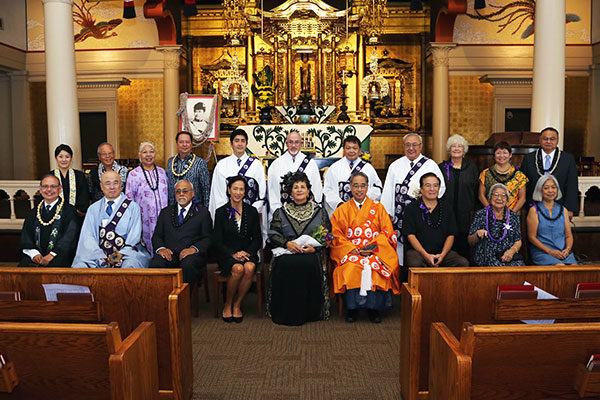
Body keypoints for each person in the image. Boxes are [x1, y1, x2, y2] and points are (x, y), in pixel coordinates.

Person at [330, 172, 400, 323]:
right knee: (350, 267)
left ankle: (374, 308)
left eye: (363, 186)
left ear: (368, 187)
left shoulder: (378, 208)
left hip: (375, 249)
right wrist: (350, 248)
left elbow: (387, 232)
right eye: (356, 186)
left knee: (376, 267)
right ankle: (352, 308)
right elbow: (336, 234)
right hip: (351, 250)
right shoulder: (342, 210)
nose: (359, 189)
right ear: (350, 187)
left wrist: (372, 247)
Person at [267, 171, 330, 326]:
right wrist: (287, 244)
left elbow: (327, 235)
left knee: (307, 263)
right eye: (296, 187)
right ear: (290, 192)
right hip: (287, 252)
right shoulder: (280, 212)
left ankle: (311, 312)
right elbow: (273, 234)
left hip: (311, 253)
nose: (300, 190)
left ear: (309, 190)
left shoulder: (319, 211)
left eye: (303, 187)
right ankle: (285, 312)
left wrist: (314, 249)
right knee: (286, 264)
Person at [380, 133, 446, 264]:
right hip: (399, 216)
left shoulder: (430, 165)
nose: (411, 148)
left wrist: (427, 201)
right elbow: (388, 190)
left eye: (415, 145)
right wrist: (388, 213)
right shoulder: (395, 165)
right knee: (399, 249)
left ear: (421, 146)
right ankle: (400, 272)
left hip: (421, 215)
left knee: (418, 244)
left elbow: (441, 188)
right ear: (403, 146)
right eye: (408, 145)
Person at [73, 171, 150, 268]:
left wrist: (121, 254)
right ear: (101, 186)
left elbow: (134, 237)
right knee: (80, 267)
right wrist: (99, 256)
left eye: (115, 183)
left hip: (127, 254)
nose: (112, 187)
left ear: (121, 184)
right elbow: (88, 237)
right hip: (98, 255)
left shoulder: (133, 207)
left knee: (130, 266)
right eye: (107, 183)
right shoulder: (93, 209)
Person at [212, 176, 262, 323]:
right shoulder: (221, 212)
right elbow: (216, 240)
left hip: (247, 253)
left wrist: (247, 253)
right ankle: (228, 303)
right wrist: (232, 254)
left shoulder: (252, 211)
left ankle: (237, 304)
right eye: (235, 188)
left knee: (249, 266)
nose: (238, 192)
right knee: (238, 269)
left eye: (241, 189)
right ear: (229, 190)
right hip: (227, 254)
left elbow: (257, 238)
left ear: (245, 192)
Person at [150, 180, 212, 289]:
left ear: (192, 193)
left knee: (188, 265)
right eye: (178, 192)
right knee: (156, 263)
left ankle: (184, 302)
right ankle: (162, 300)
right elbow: (157, 236)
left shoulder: (203, 213)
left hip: (191, 255)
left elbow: (207, 238)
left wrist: (193, 249)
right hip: (169, 254)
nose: (181, 194)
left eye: (185, 191)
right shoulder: (166, 212)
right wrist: (161, 248)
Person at [208, 129, 267, 239]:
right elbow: (218, 194)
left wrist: (251, 212)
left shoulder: (256, 165)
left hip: (250, 215)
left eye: (242, 141)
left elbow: (262, 193)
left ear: (246, 144)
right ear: (231, 144)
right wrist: (227, 213)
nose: (240, 144)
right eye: (236, 141)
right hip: (227, 215)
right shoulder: (222, 165)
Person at [403, 173, 469, 267]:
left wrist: (442, 255)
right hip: (418, 252)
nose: (432, 189)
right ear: (421, 189)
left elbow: (451, 235)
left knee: (462, 263)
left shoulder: (447, 208)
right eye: (428, 185)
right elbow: (410, 235)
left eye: (435, 185)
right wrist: (426, 255)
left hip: (442, 253)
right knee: (415, 263)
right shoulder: (411, 208)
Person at [19, 174, 79, 267]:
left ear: (60, 189)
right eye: (45, 186)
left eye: (53, 186)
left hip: (60, 255)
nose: (49, 190)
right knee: (23, 269)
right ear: (40, 189)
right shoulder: (34, 212)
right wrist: (34, 254)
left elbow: (70, 236)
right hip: (36, 256)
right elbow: (26, 235)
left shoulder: (70, 211)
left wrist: (52, 255)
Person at [521, 127, 579, 219]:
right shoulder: (529, 158)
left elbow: (572, 185)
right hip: (533, 207)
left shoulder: (567, 159)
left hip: (559, 206)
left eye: (552, 139)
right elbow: (523, 185)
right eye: (545, 138)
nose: (548, 141)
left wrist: (570, 208)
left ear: (557, 140)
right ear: (540, 140)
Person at [267, 130, 323, 222]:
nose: (293, 145)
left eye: (296, 142)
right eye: (290, 142)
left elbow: (317, 190)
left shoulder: (311, 164)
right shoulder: (276, 164)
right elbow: (273, 193)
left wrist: (312, 213)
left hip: (307, 215)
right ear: (286, 144)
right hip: (284, 215)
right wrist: (278, 214)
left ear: (301, 143)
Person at [438, 134, 479, 259]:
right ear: (449, 149)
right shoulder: (441, 168)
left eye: (459, 146)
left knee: (463, 247)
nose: (456, 148)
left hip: (465, 213)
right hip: (445, 212)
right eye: (453, 146)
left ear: (464, 149)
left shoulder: (471, 168)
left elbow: (476, 191)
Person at [125, 142, 168, 254]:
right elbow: (129, 200)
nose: (148, 155)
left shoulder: (162, 172)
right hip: (145, 219)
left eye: (151, 151)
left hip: (164, 218)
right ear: (140, 156)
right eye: (145, 152)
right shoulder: (133, 174)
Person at [323, 135, 382, 217]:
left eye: (354, 148)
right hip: (341, 212)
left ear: (359, 150)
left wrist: (362, 201)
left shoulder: (368, 168)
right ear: (343, 149)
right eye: (348, 148)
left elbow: (377, 189)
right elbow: (328, 190)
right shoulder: (334, 168)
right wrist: (339, 204)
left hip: (362, 211)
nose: (351, 151)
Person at [468, 183, 524, 266]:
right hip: (486, 256)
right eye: (496, 195)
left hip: (507, 256)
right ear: (490, 198)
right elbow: (470, 241)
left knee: (520, 267)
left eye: (503, 195)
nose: (499, 198)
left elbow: (518, 241)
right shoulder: (481, 214)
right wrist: (477, 234)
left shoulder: (513, 216)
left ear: (507, 199)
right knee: (496, 266)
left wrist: (511, 252)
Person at [527, 175, 577, 265]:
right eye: (546, 188)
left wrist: (567, 249)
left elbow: (568, 235)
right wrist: (550, 251)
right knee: (560, 267)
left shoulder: (563, 210)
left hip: (563, 253)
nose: (550, 191)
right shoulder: (534, 210)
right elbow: (532, 237)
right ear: (540, 190)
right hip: (543, 253)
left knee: (574, 270)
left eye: (553, 187)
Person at [478, 141, 528, 213]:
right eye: (498, 153)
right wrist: (491, 211)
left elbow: (522, 198)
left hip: (512, 214)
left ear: (510, 155)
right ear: (494, 155)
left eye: (505, 153)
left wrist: (511, 214)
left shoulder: (519, 176)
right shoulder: (486, 173)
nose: (502, 156)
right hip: (491, 214)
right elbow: (481, 195)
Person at [166, 131, 211, 208]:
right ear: (177, 144)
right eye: (181, 142)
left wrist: (206, 210)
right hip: (174, 208)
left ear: (191, 144)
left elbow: (206, 189)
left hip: (195, 209)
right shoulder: (170, 162)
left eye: (187, 142)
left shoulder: (200, 163)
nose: (184, 145)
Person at [50, 144, 89, 216]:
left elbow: (84, 195)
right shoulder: (50, 176)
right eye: (60, 157)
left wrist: (76, 211)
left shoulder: (79, 175)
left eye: (67, 157)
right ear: (56, 158)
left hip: (76, 215)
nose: (64, 160)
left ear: (71, 158)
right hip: (55, 215)